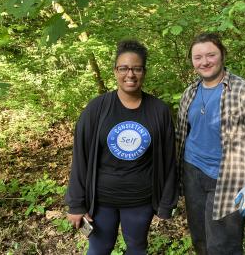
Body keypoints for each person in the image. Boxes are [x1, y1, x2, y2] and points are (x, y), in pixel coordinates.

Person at [65, 40, 178, 255]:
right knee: (99, 248)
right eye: (123, 68)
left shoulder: (159, 110)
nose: (130, 74)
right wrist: (76, 204)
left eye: (136, 68)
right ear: (115, 71)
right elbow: (81, 157)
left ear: (144, 71)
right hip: (101, 200)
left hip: (140, 199)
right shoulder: (97, 108)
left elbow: (168, 160)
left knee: (137, 249)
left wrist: (166, 202)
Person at [176, 32, 245, 255]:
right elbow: (181, 135)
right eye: (198, 57)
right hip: (192, 173)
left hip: (229, 177)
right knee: (200, 239)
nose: (204, 61)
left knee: (223, 246)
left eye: (211, 55)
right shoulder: (189, 92)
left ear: (222, 55)